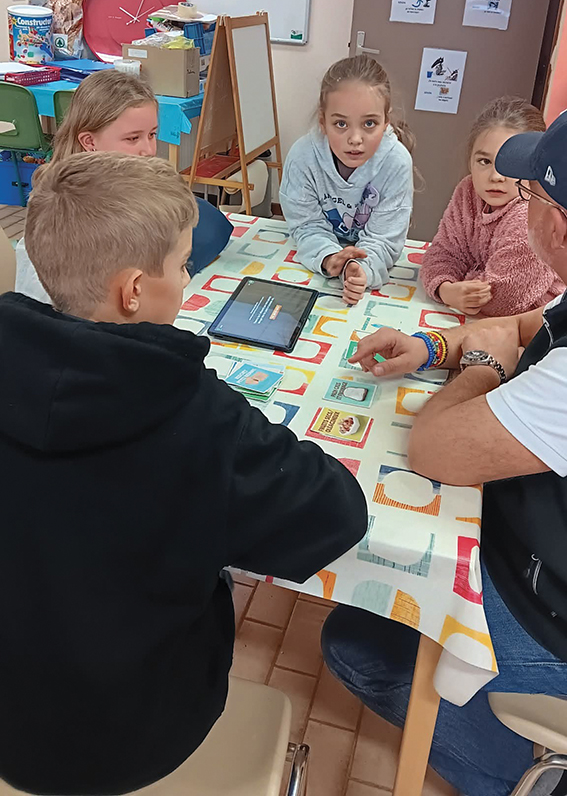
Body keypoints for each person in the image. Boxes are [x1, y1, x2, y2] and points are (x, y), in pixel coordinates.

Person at [0, 153, 367, 796]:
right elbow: (338, 510)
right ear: (135, 290)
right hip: (137, 735)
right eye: (181, 264)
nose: (188, 276)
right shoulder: (193, 413)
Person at [321, 110, 567, 796]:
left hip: (551, 613)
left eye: (534, 197)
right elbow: (520, 324)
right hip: (536, 547)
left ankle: (516, 777)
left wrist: (479, 366)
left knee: (358, 643)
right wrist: (435, 346)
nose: (519, 203)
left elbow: (434, 448)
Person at [14, 69, 232, 301]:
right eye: (132, 138)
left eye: (152, 135)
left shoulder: (136, 189)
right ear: (89, 141)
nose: (148, 151)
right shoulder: (65, 211)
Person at [280, 55, 414, 305]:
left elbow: (385, 239)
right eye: (341, 123)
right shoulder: (303, 157)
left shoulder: (396, 162)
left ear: (386, 122)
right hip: (315, 267)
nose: (355, 138)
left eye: (369, 124)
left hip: (369, 275)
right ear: (323, 121)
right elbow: (305, 225)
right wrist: (330, 258)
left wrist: (362, 270)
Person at [420, 97, 562, 316]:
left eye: (510, 165)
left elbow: (502, 298)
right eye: (484, 162)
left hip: (537, 326)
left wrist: (462, 283)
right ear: (470, 161)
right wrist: (446, 289)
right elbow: (441, 253)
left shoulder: (533, 210)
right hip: (478, 318)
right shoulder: (467, 191)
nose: (496, 176)